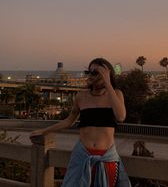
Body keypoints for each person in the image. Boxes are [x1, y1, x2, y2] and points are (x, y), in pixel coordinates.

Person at [30, 58, 131, 187]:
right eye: (89, 72)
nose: (91, 75)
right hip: (82, 155)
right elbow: (69, 121)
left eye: (96, 72)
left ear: (108, 73)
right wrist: (44, 131)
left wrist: (108, 83)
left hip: (106, 158)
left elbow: (121, 116)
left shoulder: (116, 94)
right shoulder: (81, 96)